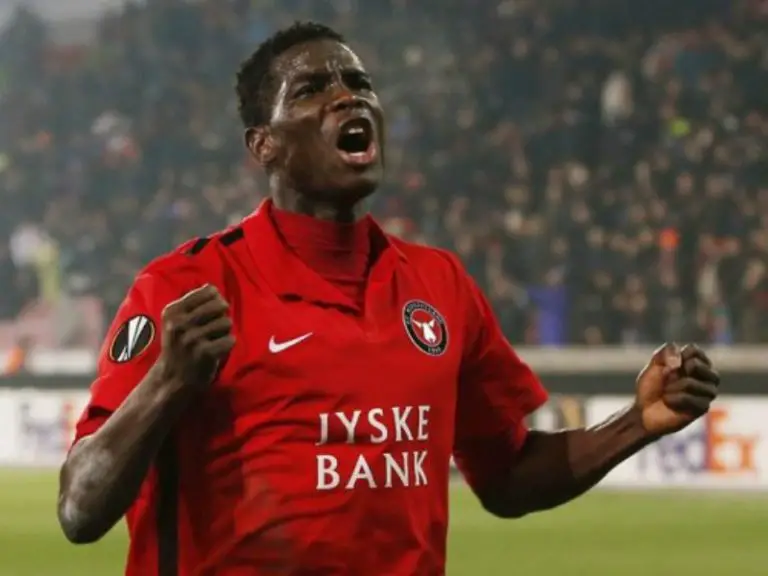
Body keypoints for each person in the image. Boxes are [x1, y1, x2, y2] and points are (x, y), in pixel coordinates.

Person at [57, 22, 721, 576]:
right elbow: (80, 510)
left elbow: (509, 476)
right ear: (264, 145)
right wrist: (166, 382)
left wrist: (637, 423)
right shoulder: (185, 287)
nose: (347, 97)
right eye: (312, 89)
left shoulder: (439, 285)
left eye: (359, 83)